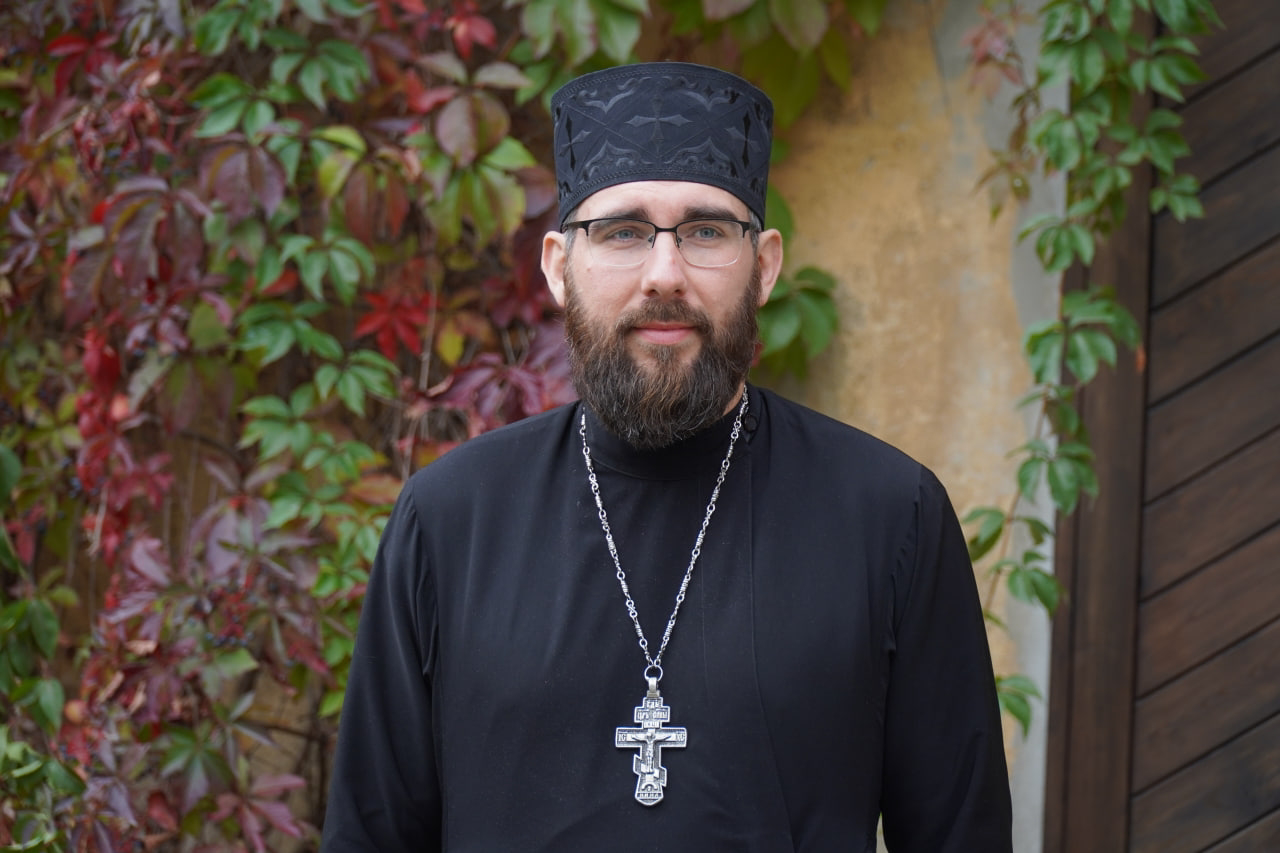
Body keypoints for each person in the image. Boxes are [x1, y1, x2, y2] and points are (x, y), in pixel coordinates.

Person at [320, 62, 1013, 852]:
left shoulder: (891, 515)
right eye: (622, 232)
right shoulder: (449, 519)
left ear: (765, 266)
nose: (664, 275)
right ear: (558, 266)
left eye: (706, 231)